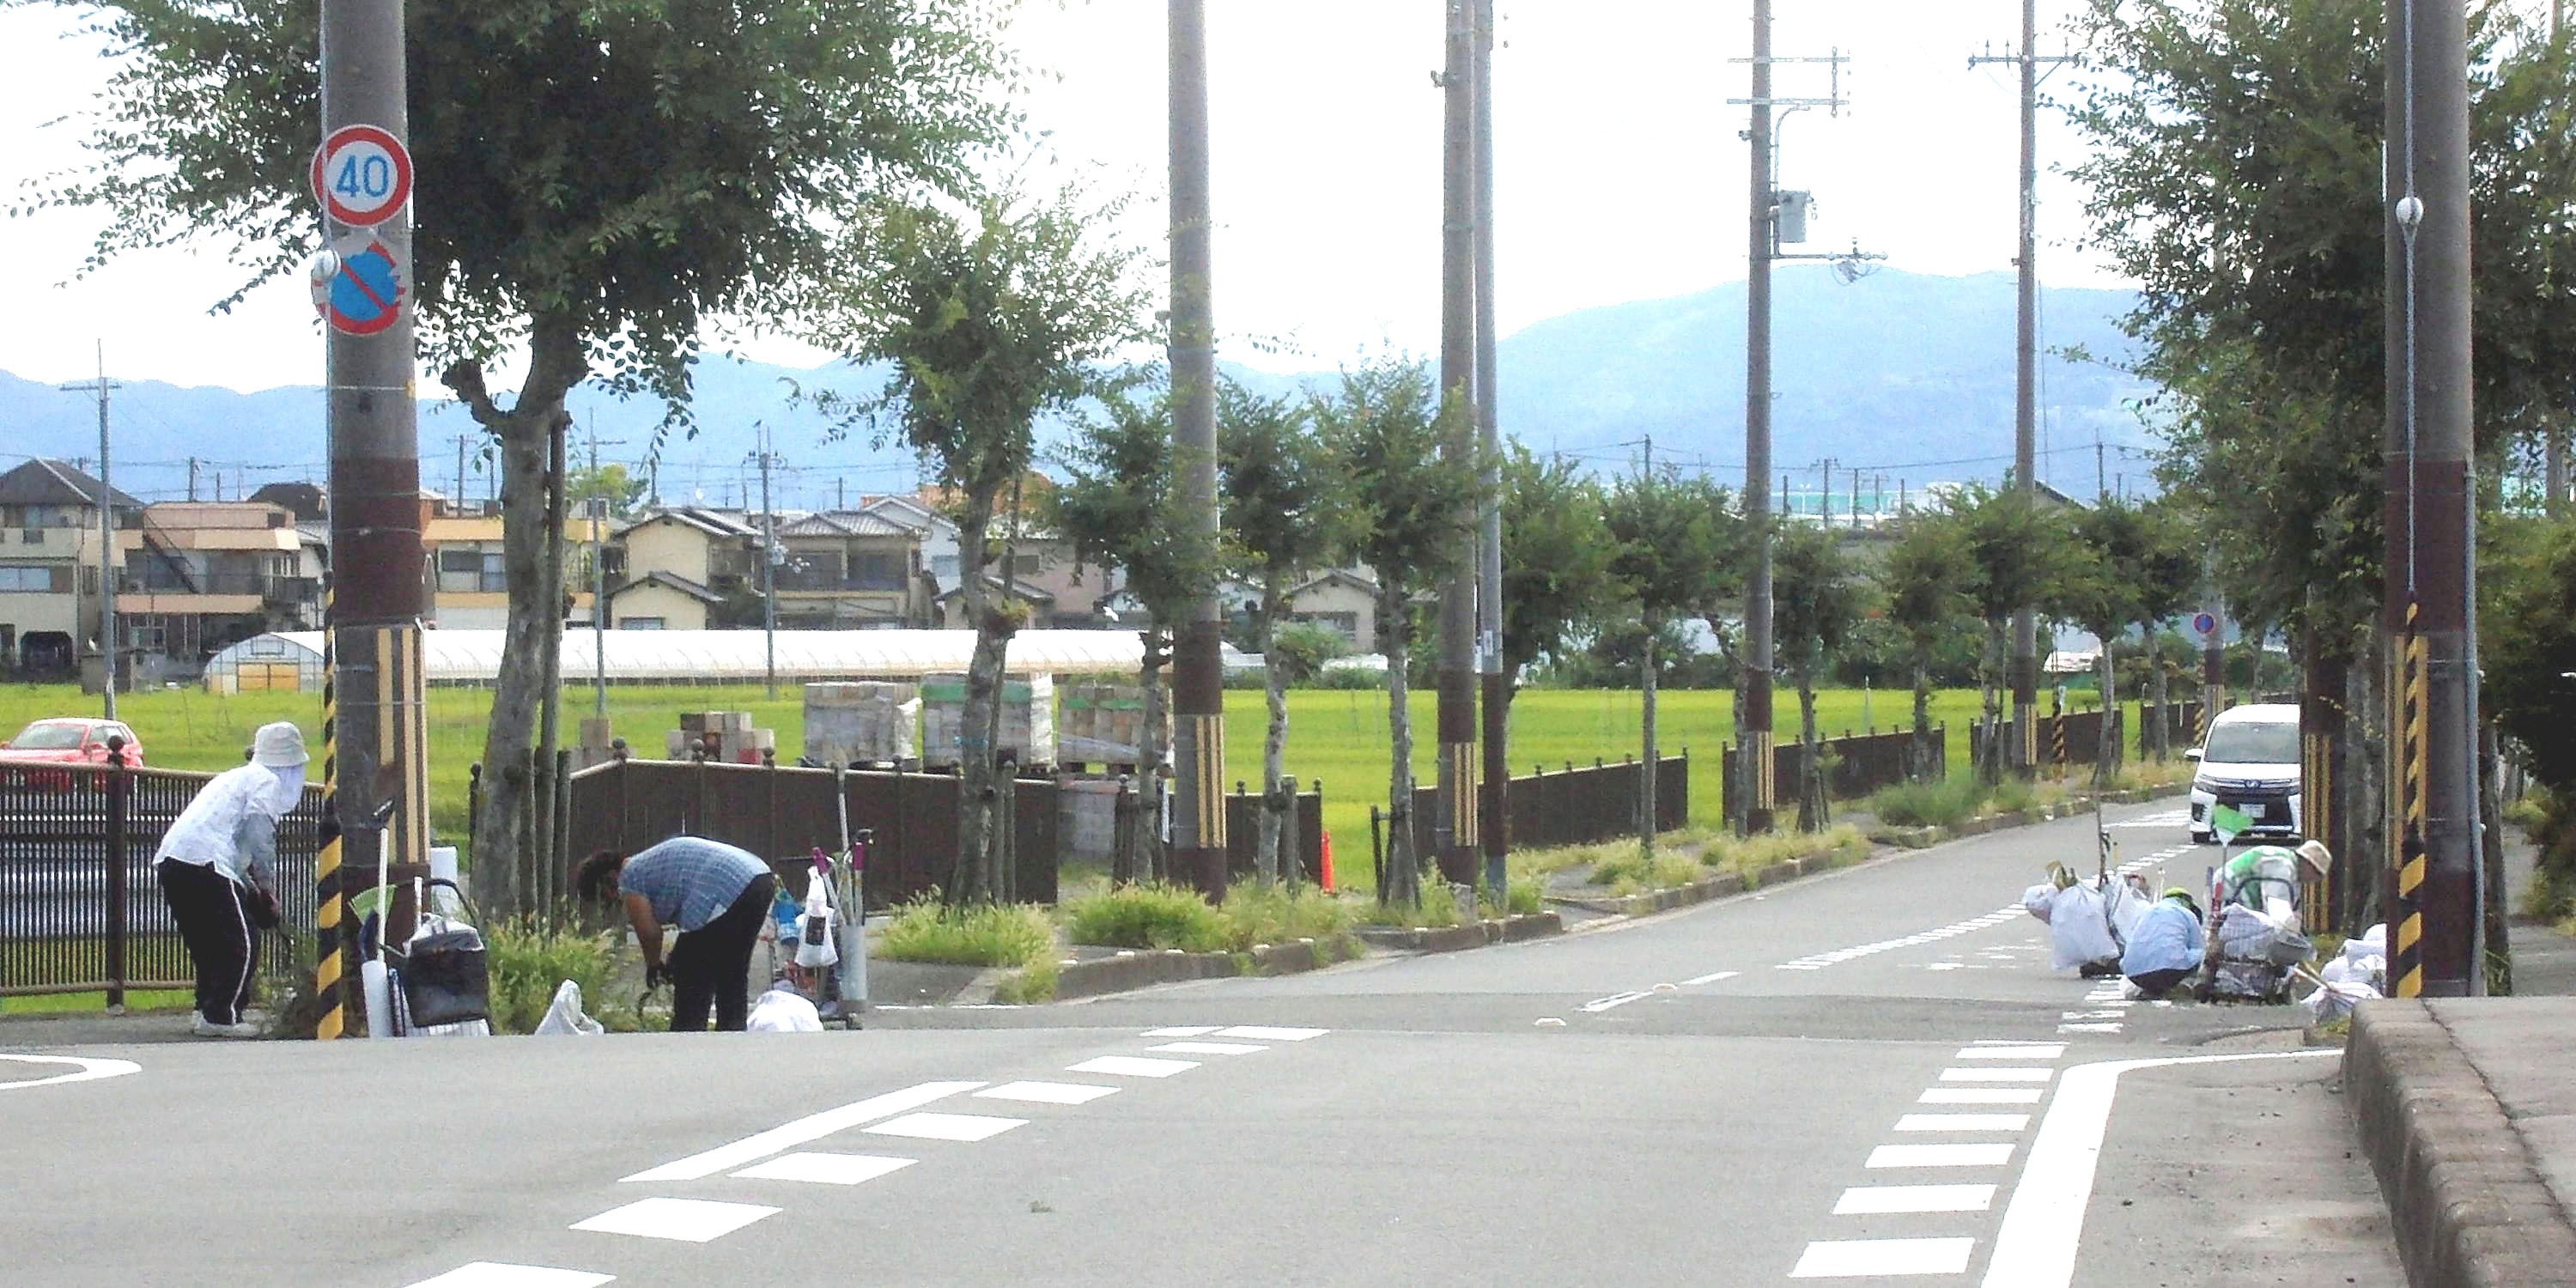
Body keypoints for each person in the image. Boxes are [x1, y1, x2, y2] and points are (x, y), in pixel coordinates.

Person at [155, 720, 307, 1038]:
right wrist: (266, 887)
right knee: (242, 941)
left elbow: (236, 845)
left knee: (208, 943)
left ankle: (205, 1010)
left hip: (174, 860)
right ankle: (222, 1015)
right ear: (291, 764)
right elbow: (258, 834)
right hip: (207, 862)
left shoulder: (234, 777)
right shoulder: (267, 782)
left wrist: (253, 888)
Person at [578, 836, 777, 1032]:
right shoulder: (649, 863)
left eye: (605, 895)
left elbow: (649, 933)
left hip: (725, 888)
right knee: (732, 970)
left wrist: (654, 965)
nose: (612, 900)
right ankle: (731, 1037)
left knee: (691, 970)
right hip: (758, 879)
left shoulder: (630, 876)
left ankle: (687, 1036)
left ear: (608, 878)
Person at [2120, 886, 2206, 999]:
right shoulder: (2187, 914)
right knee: (2200, 953)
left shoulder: (2144, 913)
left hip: (2135, 975)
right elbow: (2198, 947)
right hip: (2170, 972)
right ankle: (2183, 986)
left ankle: (2147, 991)